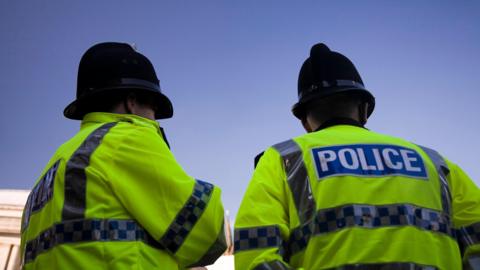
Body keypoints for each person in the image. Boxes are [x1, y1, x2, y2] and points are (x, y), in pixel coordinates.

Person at [234, 43, 480, 269]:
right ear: (364, 109)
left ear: (305, 121)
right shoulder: (435, 163)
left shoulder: (283, 159)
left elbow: (255, 253)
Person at [20, 42, 227, 269]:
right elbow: (207, 234)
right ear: (132, 102)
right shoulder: (125, 138)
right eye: (154, 110)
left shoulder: (53, 168)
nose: (154, 120)